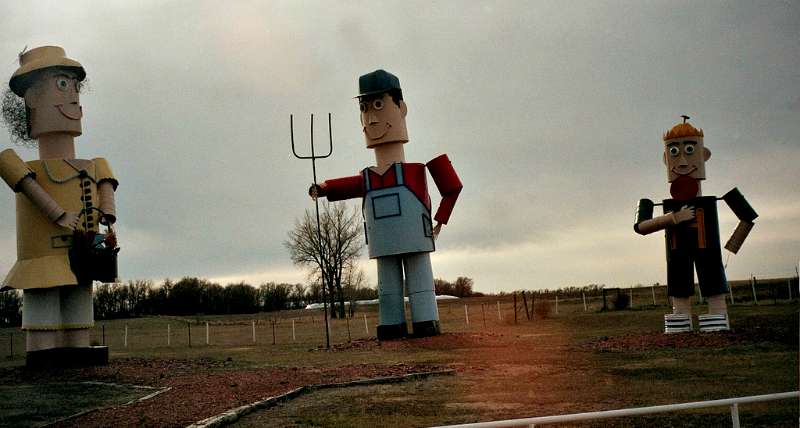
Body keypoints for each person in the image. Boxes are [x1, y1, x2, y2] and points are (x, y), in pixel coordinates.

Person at [310, 70, 462, 340]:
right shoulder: (367, 177)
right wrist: (323, 188)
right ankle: (392, 324)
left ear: (401, 109)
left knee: (420, 282)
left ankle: (426, 320)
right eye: (364, 108)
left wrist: (440, 219)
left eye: (379, 105)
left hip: (415, 235)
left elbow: (452, 187)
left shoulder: (415, 171)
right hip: (384, 241)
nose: (371, 117)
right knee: (387, 286)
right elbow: (347, 186)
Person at [0, 46, 119, 366]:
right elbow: (31, 190)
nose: (73, 96)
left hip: (83, 252)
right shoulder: (13, 163)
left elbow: (106, 189)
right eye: (62, 85)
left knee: (79, 303)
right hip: (42, 254)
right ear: (32, 98)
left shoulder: (94, 163)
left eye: (75, 86)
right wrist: (57, 213)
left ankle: (78, 346)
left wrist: (107, 212)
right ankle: (42, 351)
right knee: (43, 303)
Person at [634, 116, 756, 333]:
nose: (681, 161)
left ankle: (717, 313)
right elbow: (640, 227)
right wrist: (673, 218)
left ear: (704, 155)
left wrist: (733, 243)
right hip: (676, 251)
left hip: (707, 249)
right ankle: (681, 315)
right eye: (673, 152)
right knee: (679, 280)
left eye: (690, 150)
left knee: (712, 277)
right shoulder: (665, 205)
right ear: (665, 158)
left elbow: (747, 217)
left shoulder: (710, 202)